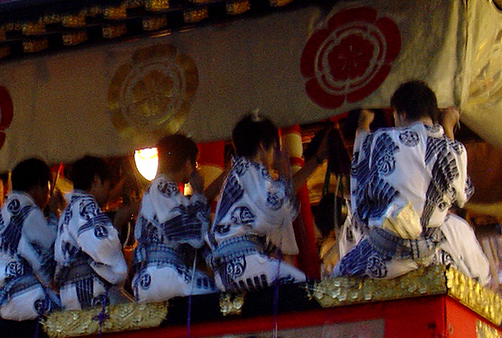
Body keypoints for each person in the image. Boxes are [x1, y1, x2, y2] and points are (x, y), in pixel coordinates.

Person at [334, 80, 491, 285]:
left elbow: (360, 202)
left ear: (401, 114)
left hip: (384, 257)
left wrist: (363, 126)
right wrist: (449, 128)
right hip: (432, 255)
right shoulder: (454, 149)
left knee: (338, 275)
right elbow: (461, 194)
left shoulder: (381, 139)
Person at [209, 114, 311, 292]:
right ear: (263, 146)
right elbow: (277, 209)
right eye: (273, 148)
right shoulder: (253, 171)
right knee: (301, 285)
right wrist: (285, 173)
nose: (273, 155)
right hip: (245, 263)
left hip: (225, 270)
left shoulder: (236, 174)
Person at [132, 133, 217, 303]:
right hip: (164, 272)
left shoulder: (162, 189)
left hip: (155, 274)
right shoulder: (162, 186)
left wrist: (199, 195)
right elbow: (189, 232)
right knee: (216, 292)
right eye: (195, 164)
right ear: (187, 164)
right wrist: (199, 195)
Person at [54, 155, 131, 309]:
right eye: (107, 186)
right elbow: (101, 247)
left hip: (70, 292)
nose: (107, 193)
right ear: (96, 180)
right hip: (89, 289)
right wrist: (120, 266)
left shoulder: (68, 211)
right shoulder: (85, 205)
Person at [0, 157, 61, 321]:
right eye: (48, 190)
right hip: (26, 295)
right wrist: (54, 213)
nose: (48, 196)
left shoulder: (8, 208)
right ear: (39, 184)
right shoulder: (28, 210)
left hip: (3, 298)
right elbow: (52, 243)